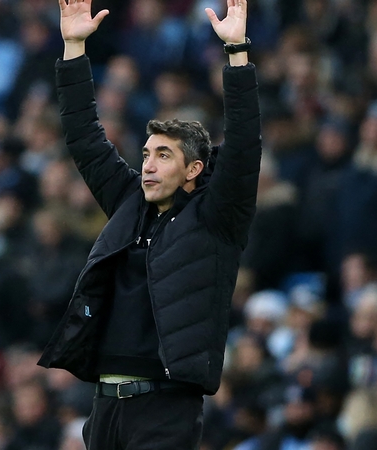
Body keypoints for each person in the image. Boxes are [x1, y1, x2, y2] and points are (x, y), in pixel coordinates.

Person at [37, 0, 261, 448]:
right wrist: (74, 47)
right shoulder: (127, 203)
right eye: (145, 154)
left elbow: (242, 146)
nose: (149, 166)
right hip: (104, 407)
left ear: (194, 169)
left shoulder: (217, 219)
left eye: (164, 155)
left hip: (164, 409)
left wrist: (237, 53)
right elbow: (85, 137)